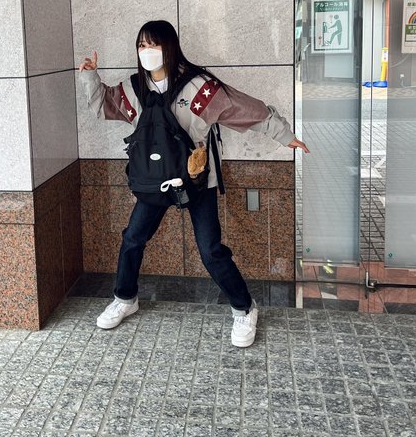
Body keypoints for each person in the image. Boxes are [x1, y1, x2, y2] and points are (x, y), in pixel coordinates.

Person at [79, 20, 309, 347]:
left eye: (153, 44)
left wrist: (285, 136)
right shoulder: (134, 88)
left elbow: (246, 109)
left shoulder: (198, 88)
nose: (146, 51)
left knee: (210, 250)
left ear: (169, 47)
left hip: (196, 179)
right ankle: (125, 298)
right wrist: (90, 76)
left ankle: (245, 308)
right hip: (153, 180)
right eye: (142, 45)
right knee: (132, 239)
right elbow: (104, 105)